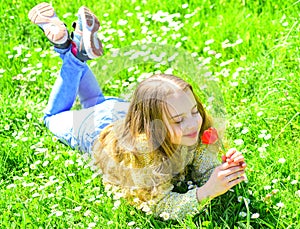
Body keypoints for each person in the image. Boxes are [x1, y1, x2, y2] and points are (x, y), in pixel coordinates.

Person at [28, 2, 247, 221]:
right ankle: (72, 52)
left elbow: (204, 169)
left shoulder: (190, 132)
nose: (192, 124)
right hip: (94, 127)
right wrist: (205, 192)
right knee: (52, 117)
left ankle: (70, 47)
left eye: (194, 112)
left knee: (95, 100)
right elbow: (160, 205)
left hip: (122, 113)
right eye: (179, 121)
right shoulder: (141, 155)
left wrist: (225, 172)